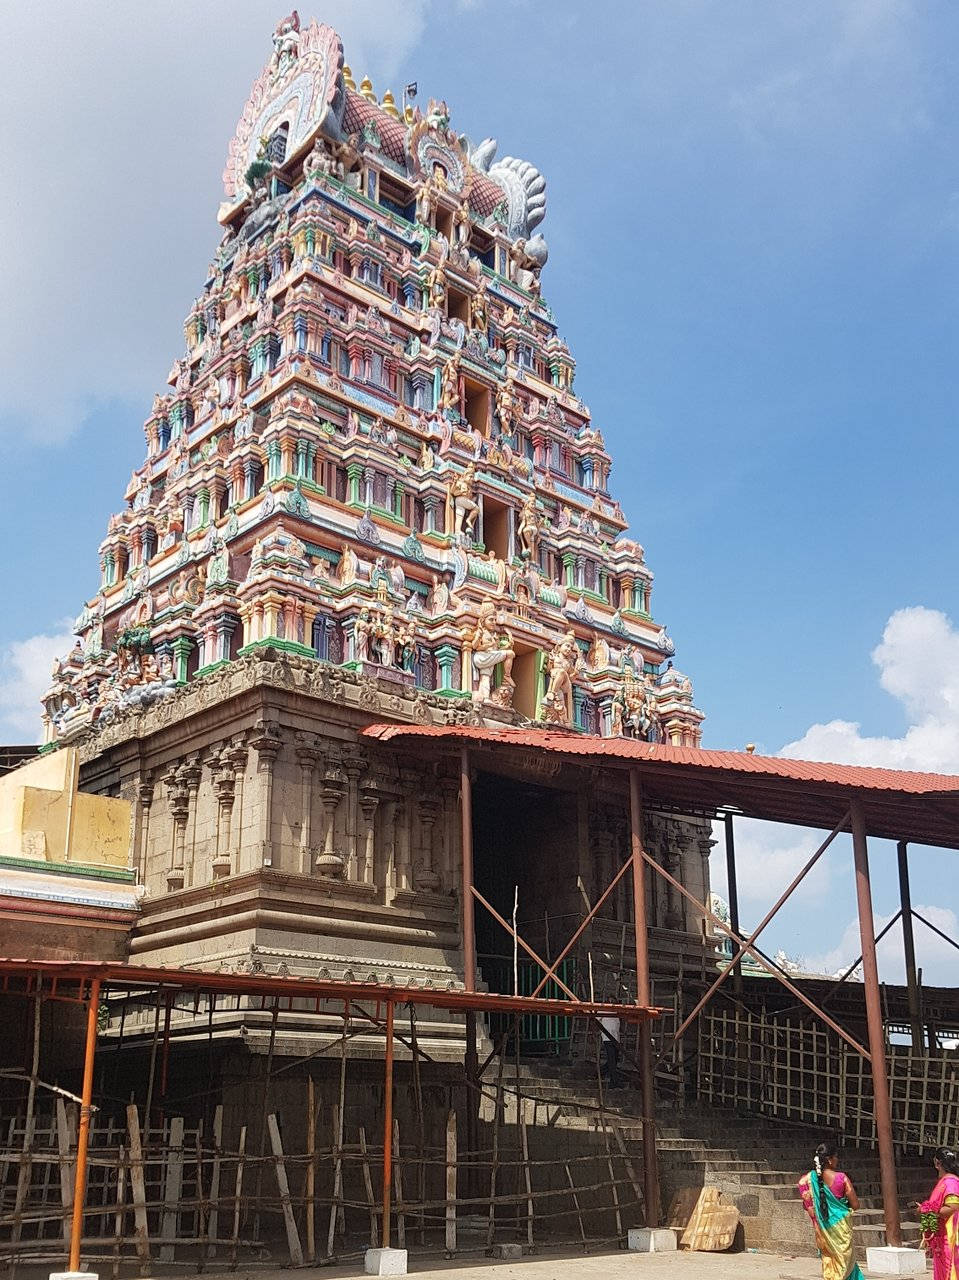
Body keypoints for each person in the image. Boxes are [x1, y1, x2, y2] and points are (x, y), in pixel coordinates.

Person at [796, 1142, 862, 1280]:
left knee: (830, 1263)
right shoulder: (841, 1178)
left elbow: (809, 1207)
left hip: (822, 1229)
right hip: (841, 1227)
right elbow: (855, 1205)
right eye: (836, 1157)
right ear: (830, 1159)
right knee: (845, 1264)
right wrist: (842, 1205)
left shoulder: (806, 1180)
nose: (837, 1160)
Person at [918, 1147, 959, 1280]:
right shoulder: (946, 1182)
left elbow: (952, 1208)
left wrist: (928, 1209)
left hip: (950, 1239)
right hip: (941, 1240)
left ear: (937, 1162)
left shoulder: (950, 1183)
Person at [598, 1014, 621, 1089]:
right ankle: (614, 1081)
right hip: (607, 1038)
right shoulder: (602, 1010)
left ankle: (599, 1073)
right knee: (612, 1060)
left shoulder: (616, 1010)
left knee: (614, 1059)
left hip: (616, 1038)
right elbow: (595, 1018)